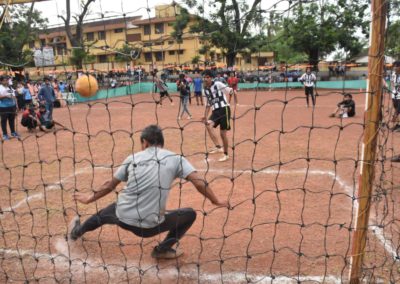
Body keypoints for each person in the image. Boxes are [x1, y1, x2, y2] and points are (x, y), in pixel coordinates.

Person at [70, 125, 228, 259]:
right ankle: (162, 250)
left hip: (122, 216)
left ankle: (76, 232)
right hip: (148, 228)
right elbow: (199, 182)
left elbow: (109, 185)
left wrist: (89, 198)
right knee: (190, 214)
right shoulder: (175, 158)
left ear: (144, 142)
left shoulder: (132, 158)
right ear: (161, 142)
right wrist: (215, 200)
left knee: (102, 215)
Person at [201, 69, 232, 162]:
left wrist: (228, 103)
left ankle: (226, 154)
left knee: (223, 133)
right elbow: (208, 105)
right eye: (204, 77)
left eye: (208, 77)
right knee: (208, 125)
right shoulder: (204, 91)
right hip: (215, 111)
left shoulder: (218, 84)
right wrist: (205, 116)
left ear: (211, 78)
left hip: (224, 109)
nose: (206, 79)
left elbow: (230, 91)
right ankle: (218, 147)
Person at [0, 76, 19, 140]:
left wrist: (16, 105)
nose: (6, 81)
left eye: (7, 80)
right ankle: (5, 134)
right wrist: (6, 96)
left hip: (12, 106)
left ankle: (13, 132)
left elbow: (14, 95)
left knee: (12, 120)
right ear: (1, 81)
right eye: (5, 80)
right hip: (3, 107)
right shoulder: (0, 88)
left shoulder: (10, 87)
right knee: (4, 121)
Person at [389, 61, 400, 131]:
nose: (395, 68)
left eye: (396, 66)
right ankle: (398, 125)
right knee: (396, 109)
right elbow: (392, 81)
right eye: (394, 66)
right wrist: (393, 89)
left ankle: (395, 118)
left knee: (398, 110)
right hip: (394, 94)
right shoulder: (393, 74)